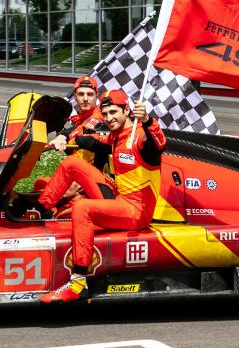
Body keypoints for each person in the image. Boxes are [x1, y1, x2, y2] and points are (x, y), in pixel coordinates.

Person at [39, 88, 166, 304]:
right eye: (105, 114)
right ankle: (41, 209)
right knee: (71, 164)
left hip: (137, 212)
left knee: (82, 208)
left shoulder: (141, 138)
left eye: (113, 112)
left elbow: (159, 145)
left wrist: (148, 120)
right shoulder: (116, 137)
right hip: (119, 199)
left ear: (127, 110)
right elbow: (94, 140)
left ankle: (78, 283)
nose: (108, 118)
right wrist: (65, 138)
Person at [35, 76, 113, 210]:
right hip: (81, 178)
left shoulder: (99, 118)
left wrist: (64, 137)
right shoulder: (81, 119)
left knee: (59, 201)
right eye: (81, 94)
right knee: (40, 184)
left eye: (90, 94)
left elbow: (81, 133)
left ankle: (41, 208)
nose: (85, 98)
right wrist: (61, 137)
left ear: (96, 96)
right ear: (75, 96)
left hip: (96, 182)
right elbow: (74, 129)